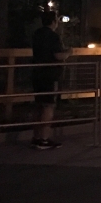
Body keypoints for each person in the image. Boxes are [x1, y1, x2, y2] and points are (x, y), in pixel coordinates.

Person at [30, 10, 71, 149]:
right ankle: (44, 138)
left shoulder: (37, 34)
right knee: (48, 106)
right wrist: (69, 53)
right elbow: (58, 55)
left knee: (39, 104)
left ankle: (36, 136)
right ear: (54, 22)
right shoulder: (53, 36)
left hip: (37, 73)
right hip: (50, 75)